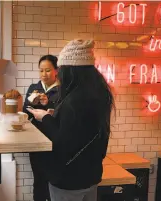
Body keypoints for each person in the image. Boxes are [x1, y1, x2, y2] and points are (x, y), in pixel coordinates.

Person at [27, 39, 115, 201]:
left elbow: (62, 141)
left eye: (61, 69)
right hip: (91, 174)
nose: (59, 74)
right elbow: (82, 133)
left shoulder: (73, 101)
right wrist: (57, 115)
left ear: (71, 71)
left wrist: (45, 117)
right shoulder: (100, 95)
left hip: (68, 179)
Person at [23, 55, 59, 201]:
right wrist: (30, 103)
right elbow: (25, 113)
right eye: (41, 71)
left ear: (56, 70)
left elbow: (64, 115)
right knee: (38, 179)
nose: (44, 74)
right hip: (36, 140)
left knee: (53, 179)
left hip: (55, 141)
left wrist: (48, 103)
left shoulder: (62, 90)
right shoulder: (34, 88)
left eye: (48, 70)